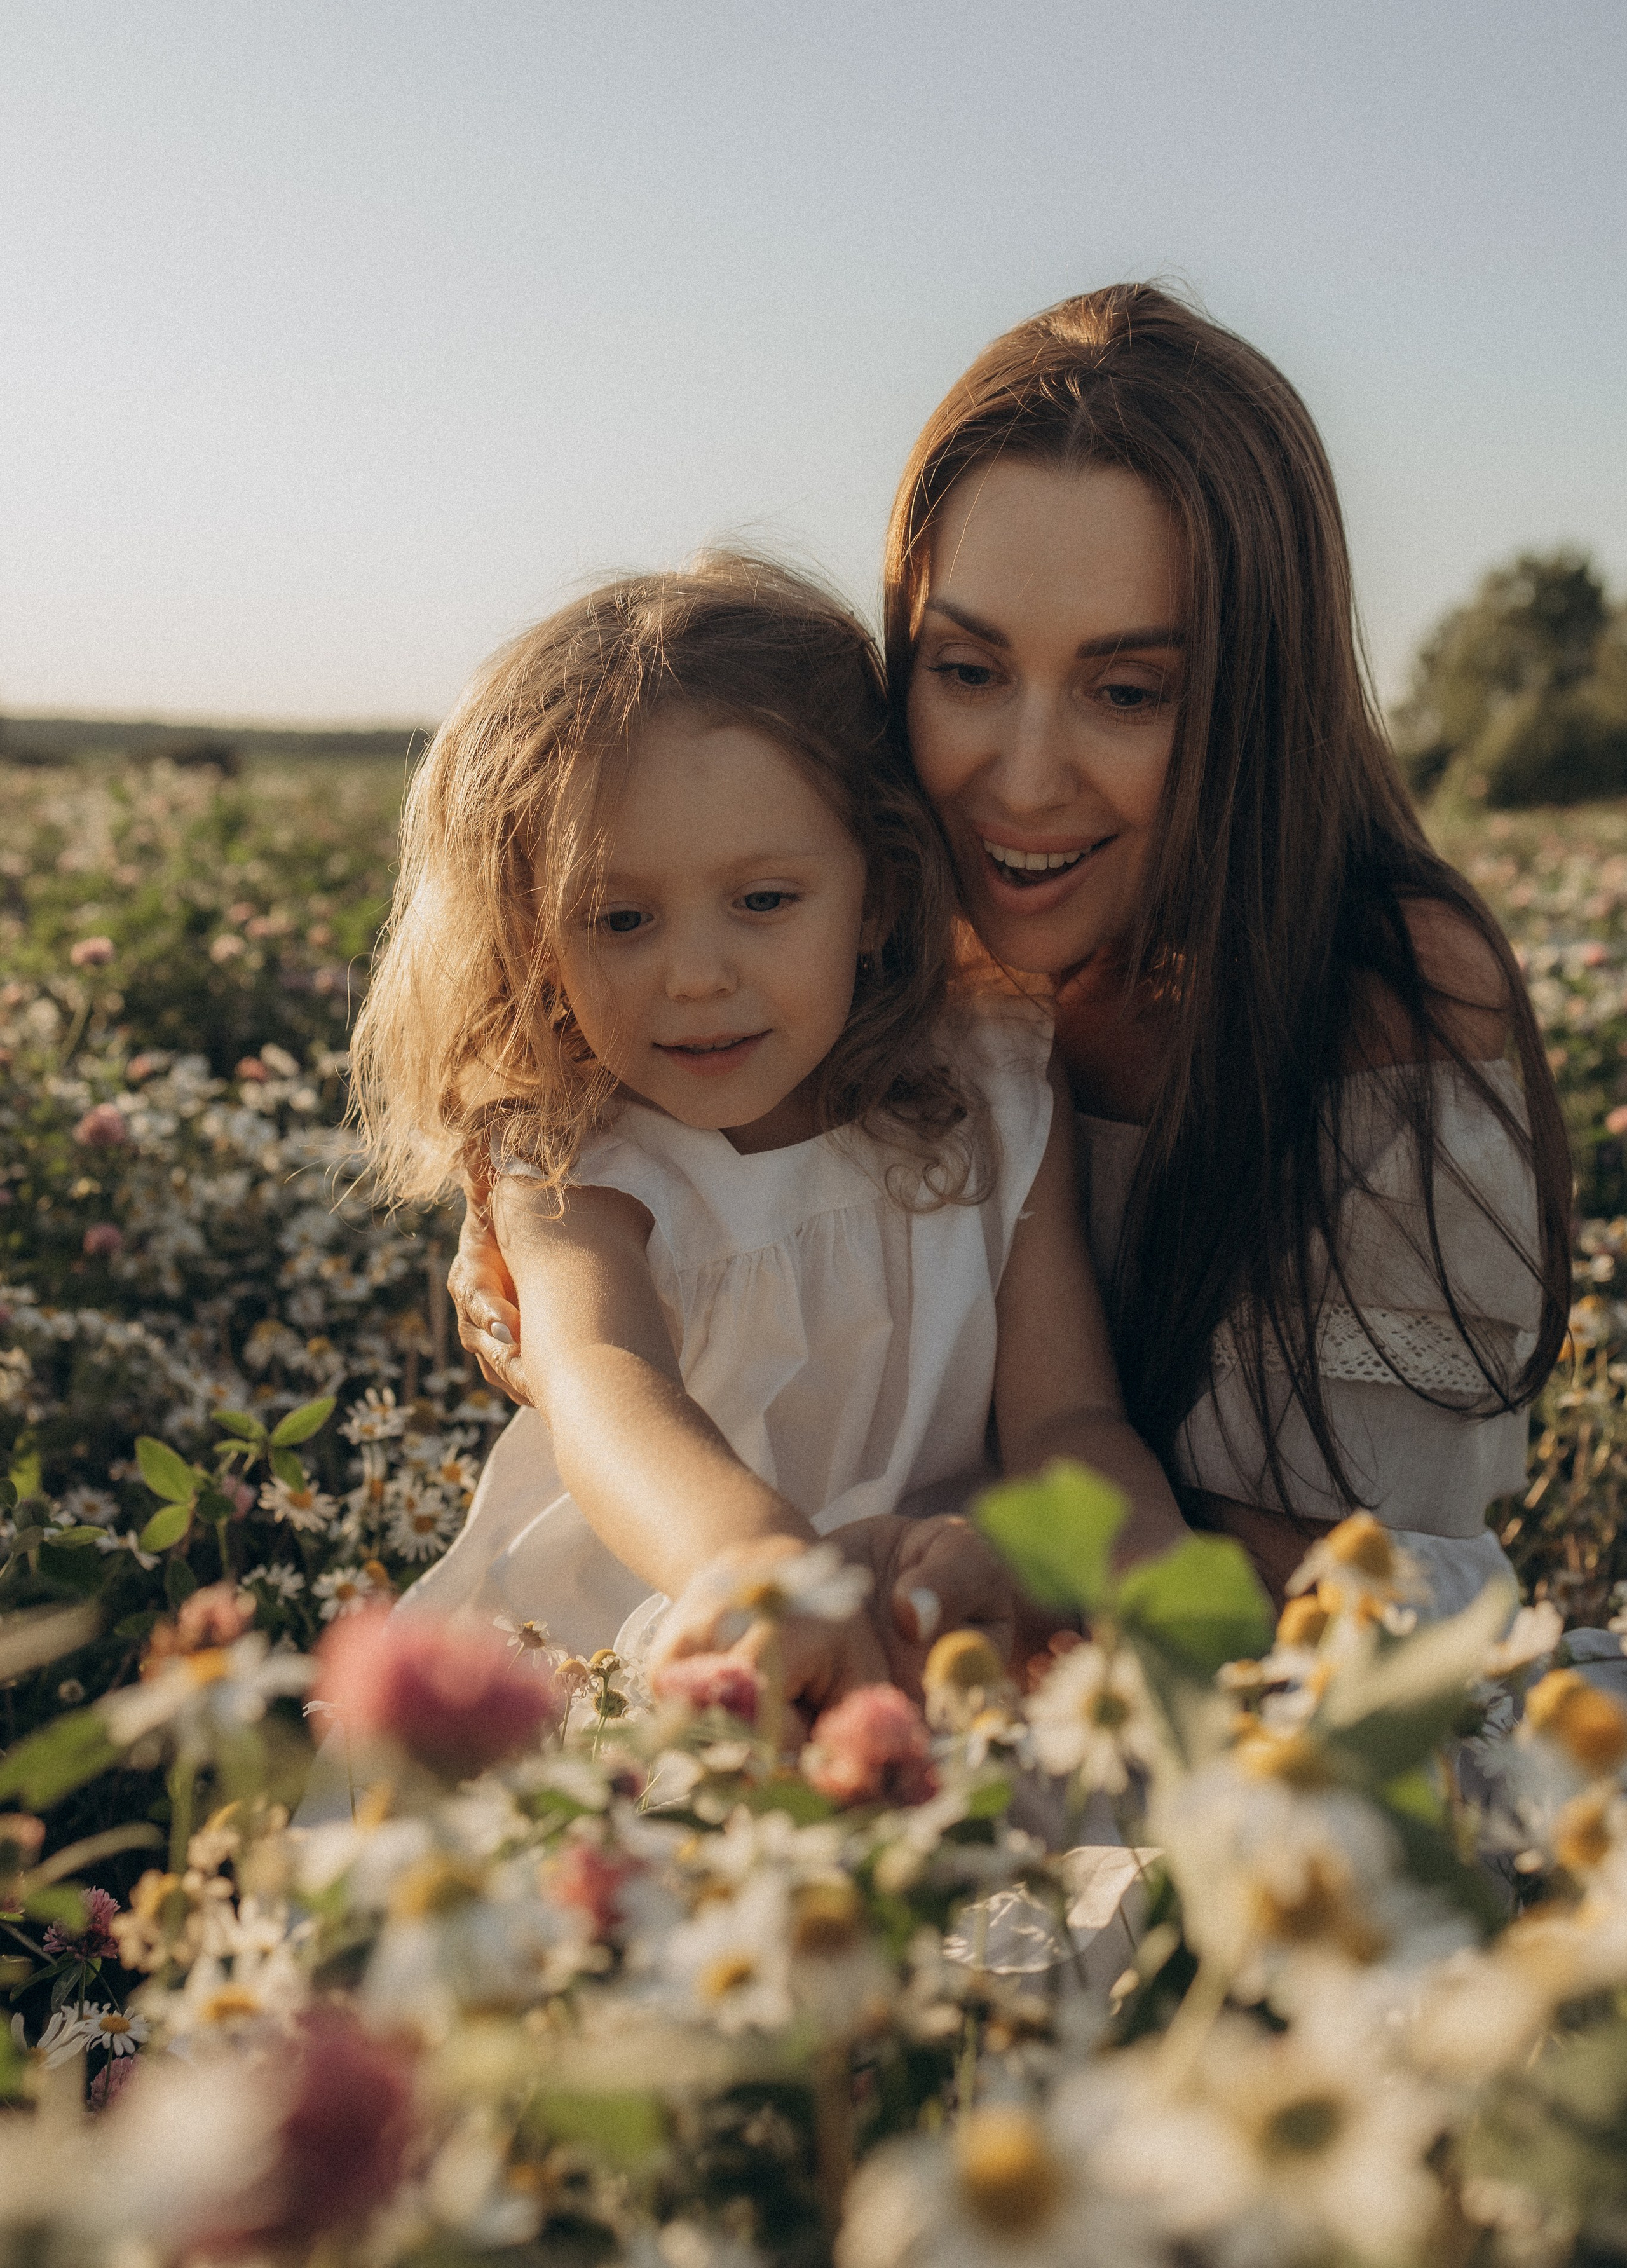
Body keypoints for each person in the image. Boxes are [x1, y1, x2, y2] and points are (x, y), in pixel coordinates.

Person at [453, 288, 1577, 1638]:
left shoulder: (1368, 985)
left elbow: (1255, 1536)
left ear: (1249, 698)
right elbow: (612, 1360)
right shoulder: (886, 956)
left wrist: (1018, 1579)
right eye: (967, 669)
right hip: (760, 1635)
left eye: (1126, 690)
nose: (1024, 782)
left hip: (1222, 1638)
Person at [353, 552, 1185, 1723]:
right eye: (621, 918)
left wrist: (1138, 1568)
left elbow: (1067, 1417)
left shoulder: (994, 1087)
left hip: (936, 1627)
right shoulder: (574, 1154)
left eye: (764, 901)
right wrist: (758, 1562)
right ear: (538, 931)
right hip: (663, 1620)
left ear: (882, 892)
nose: (696, 976)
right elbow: (605, 1377)